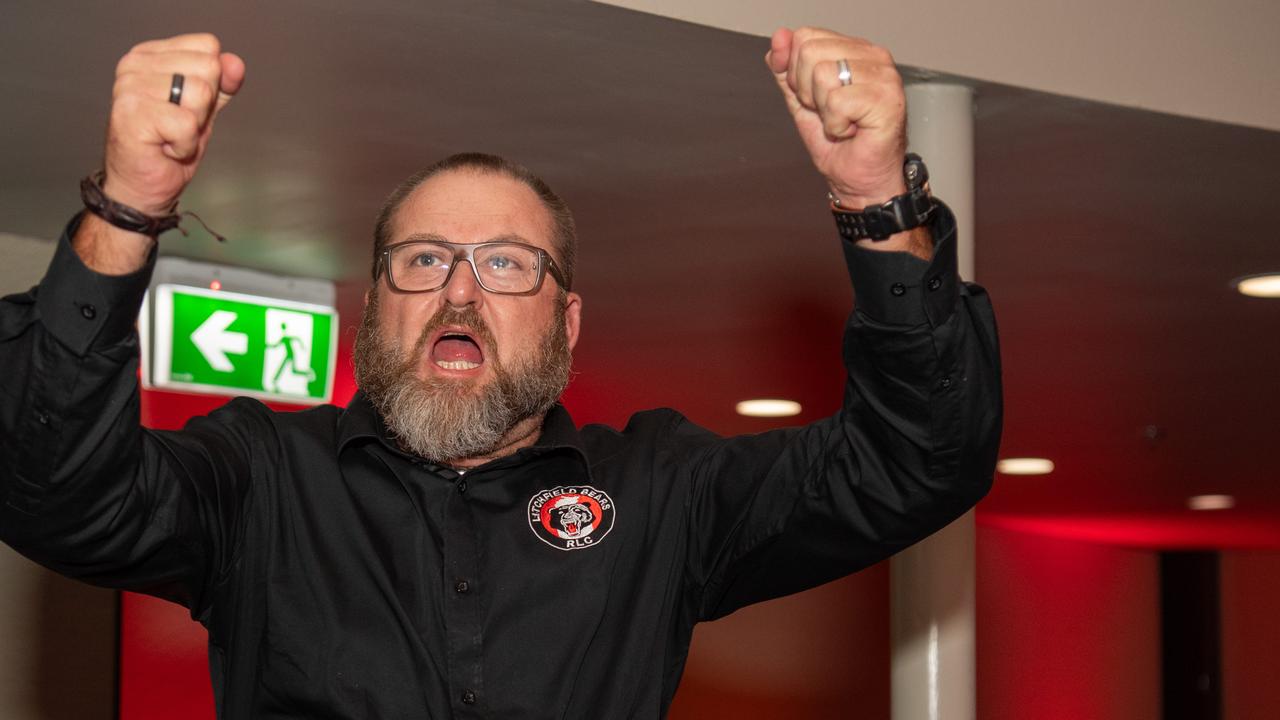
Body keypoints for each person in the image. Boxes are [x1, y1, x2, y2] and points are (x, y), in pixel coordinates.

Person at [0, 26, 1001, 719]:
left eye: (507, 264)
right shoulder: (261, 476)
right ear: (370, 312)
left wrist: (873, 197)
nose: (460, 294)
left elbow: (917, 461)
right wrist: (128, 207)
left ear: (565, 321)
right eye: (423, 260)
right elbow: (54, 495)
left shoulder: (660, 492)